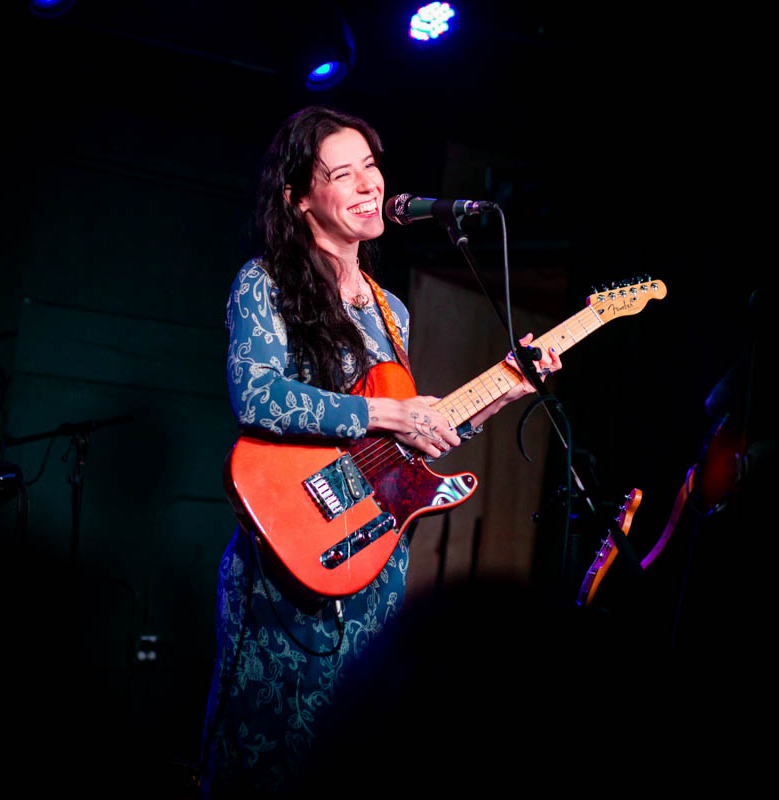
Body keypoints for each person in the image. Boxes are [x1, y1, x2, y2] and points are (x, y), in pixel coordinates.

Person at [199, 105, 559, 795]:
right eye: (343, 174)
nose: (369, 184)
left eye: (370, 165)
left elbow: (401, 450)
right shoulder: (263, 282)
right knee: (269, 764)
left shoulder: (392, 310)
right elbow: (257, 397)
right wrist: (390, 411)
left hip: (375, 560)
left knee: (348, 760)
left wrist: (504, 393)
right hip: (290, 554)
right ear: (298, 197)